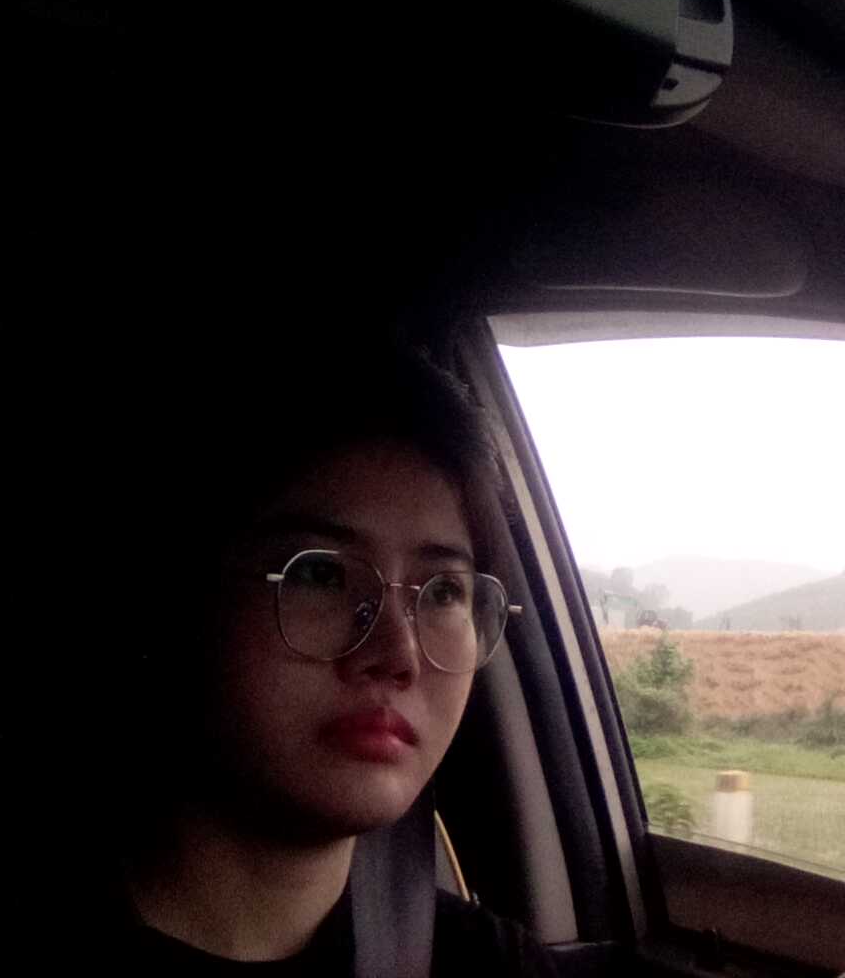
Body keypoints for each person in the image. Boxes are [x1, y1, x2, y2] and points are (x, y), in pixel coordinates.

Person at [70, 344, 557, 975]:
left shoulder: (492, 964)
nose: (398, 655)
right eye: (321, 575)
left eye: (443, 592)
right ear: (184, 595)